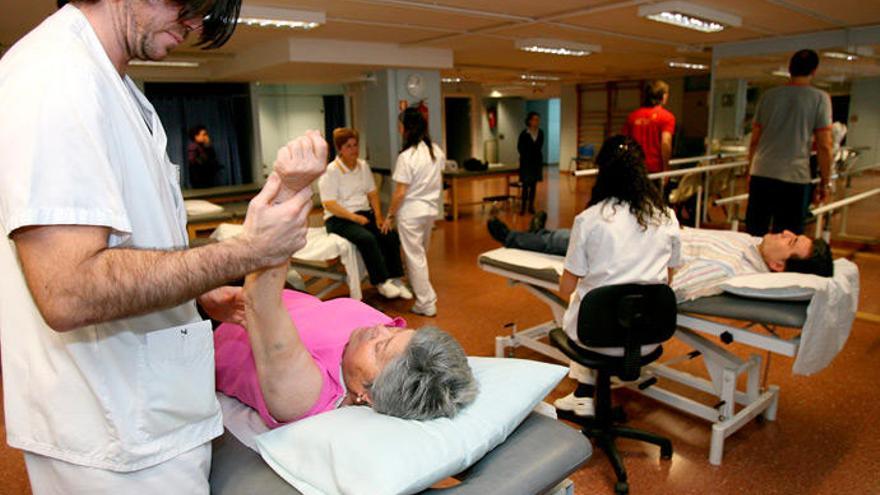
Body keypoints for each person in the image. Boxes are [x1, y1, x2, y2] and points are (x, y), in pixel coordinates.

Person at [0, 1, 327, 493]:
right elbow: (67, 290)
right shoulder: (55, 78)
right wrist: (246, 252)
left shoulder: (113, 86)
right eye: (189, 6)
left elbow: (133, 243)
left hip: (148, 411)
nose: (194, 25)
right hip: (112, 433)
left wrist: (195, 294)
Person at [215, 261, 478, 427]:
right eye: (397, 332)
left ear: (368, 395)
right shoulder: (389, 344)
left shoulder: (306, 394)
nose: (380, 329)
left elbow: (260, 301)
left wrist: (285, 207)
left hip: (218, 317)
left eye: (379, 348)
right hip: (294, 299)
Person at [555, 135, 682, 417]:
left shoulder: (589, 219)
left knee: (578, 304)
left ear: (603, 173)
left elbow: (565, 289)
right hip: (649, 338)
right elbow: (668, 280)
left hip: (595, 338)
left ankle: (585, 392)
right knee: (595, 307)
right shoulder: (667, 216)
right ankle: (584, 393)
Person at [488, 221, 834, 301]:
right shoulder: (750, 244)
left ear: (778, 267)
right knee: (569, 234)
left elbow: (673, 290)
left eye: (791, 242)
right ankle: (527, 233)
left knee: (568, 240)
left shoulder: (729, 268)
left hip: (635, 251)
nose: (786, 232)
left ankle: (513, 239)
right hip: (650, 232)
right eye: (794, 234)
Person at [746, 49, 833, 236]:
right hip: (793, 176)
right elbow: (825, 146)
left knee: (754, 233)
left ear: (789, 69)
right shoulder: (819, 99)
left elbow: (755, 140)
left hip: (762, 171)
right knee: (787, 237)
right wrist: (825, 182)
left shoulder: (768, 96)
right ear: (814, 70)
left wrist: (749, 170)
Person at [319, 128, 411, 300]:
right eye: (348, 146)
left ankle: (396, 278)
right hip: (338, 219)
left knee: (389, 234)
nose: (354, 149)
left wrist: (378, 217)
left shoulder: (363, 166)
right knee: (366, 238)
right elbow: (329, 203)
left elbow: (372, 193)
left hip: (363, 214)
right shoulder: (331, 171)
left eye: (355, 145)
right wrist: (353, 217)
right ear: (340, 149)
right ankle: (381, 282)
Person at [382, 108, 445, 317]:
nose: (399, 129)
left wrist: (389, 215)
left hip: (411, 213)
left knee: (415, 258)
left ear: (407, 128)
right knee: (420, 255)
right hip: (429, 211)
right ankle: (422, 291)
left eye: (400, 125)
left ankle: (426, 302)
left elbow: (400, 193)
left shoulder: (406, 157)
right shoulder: (435, 151)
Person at [622, 80, 675, 174]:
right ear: (663, 96)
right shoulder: (667, 117)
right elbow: (665, 143)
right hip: (654, 168)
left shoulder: (632, 116)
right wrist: (666, 167)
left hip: (634, 166)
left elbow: (625, 141)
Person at [517, 111, 544, 214]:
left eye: (538, 119)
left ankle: (531, 207)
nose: (537, 122)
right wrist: (527, 156)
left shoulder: (540, 132)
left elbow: (539, 146)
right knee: (525, 186)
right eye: (535, 119)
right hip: (526, 163)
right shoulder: (524, 134)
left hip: (536, 163)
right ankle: (523, 207)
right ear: (529, 121)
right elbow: (520, 148)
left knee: (533, 186)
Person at [187, 124, 220, 189]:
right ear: (196, 136)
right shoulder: (193, 147)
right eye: (204, 134)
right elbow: (195, 163)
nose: (206, 137)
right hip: (200, 183)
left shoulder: (203, 147)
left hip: (206, 181)